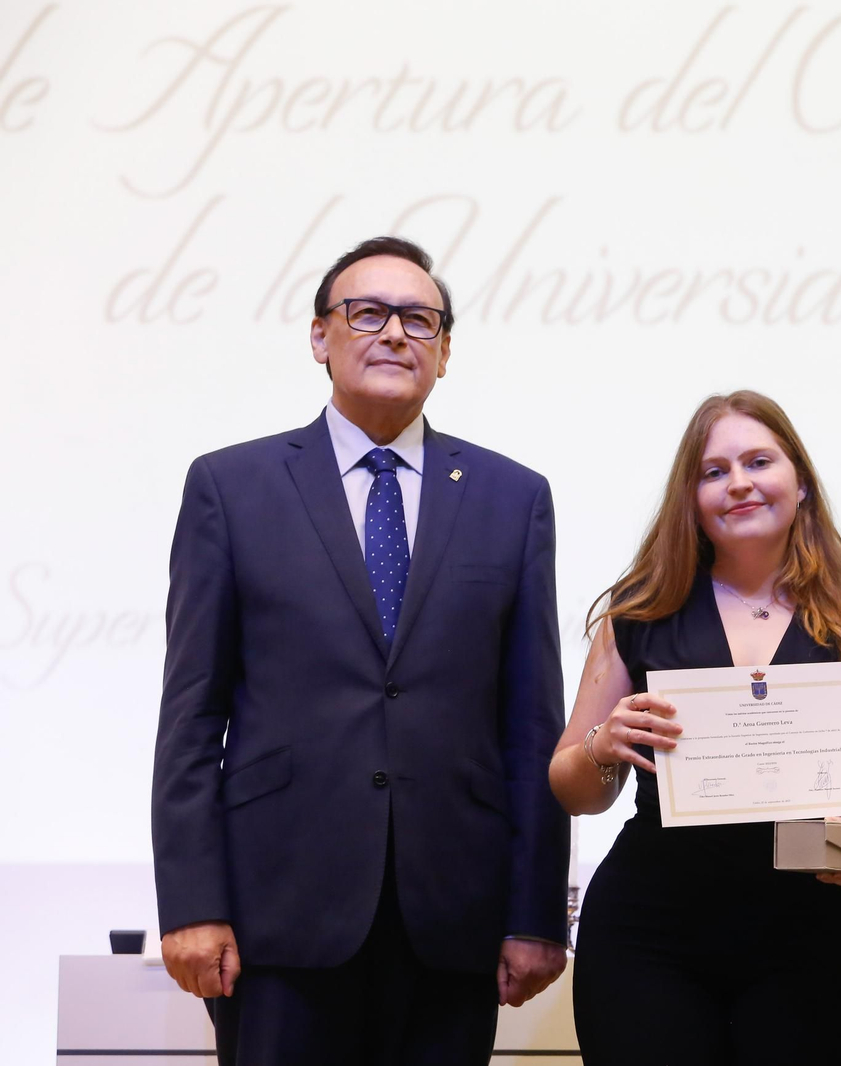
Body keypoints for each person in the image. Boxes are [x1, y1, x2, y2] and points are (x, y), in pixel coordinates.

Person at [151, 236, 569, 1065]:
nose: (394, 335)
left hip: (451, 918)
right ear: (320, 337)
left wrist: (534, 914)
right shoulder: (231, 488)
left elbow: (531, 726)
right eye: (366, 313)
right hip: (277, 915)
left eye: (419, 320)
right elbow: (191, 716)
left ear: (445, 351)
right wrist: (192, 903)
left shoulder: (511, 498)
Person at [551, 390, 841, 1065]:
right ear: (690, 497)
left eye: (759, 461)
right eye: (714, 471)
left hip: (812, 929)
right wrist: (603, 746)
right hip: (650, 931)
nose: (740, 484)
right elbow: (574, 790)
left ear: (801, 481)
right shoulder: (640, 613)